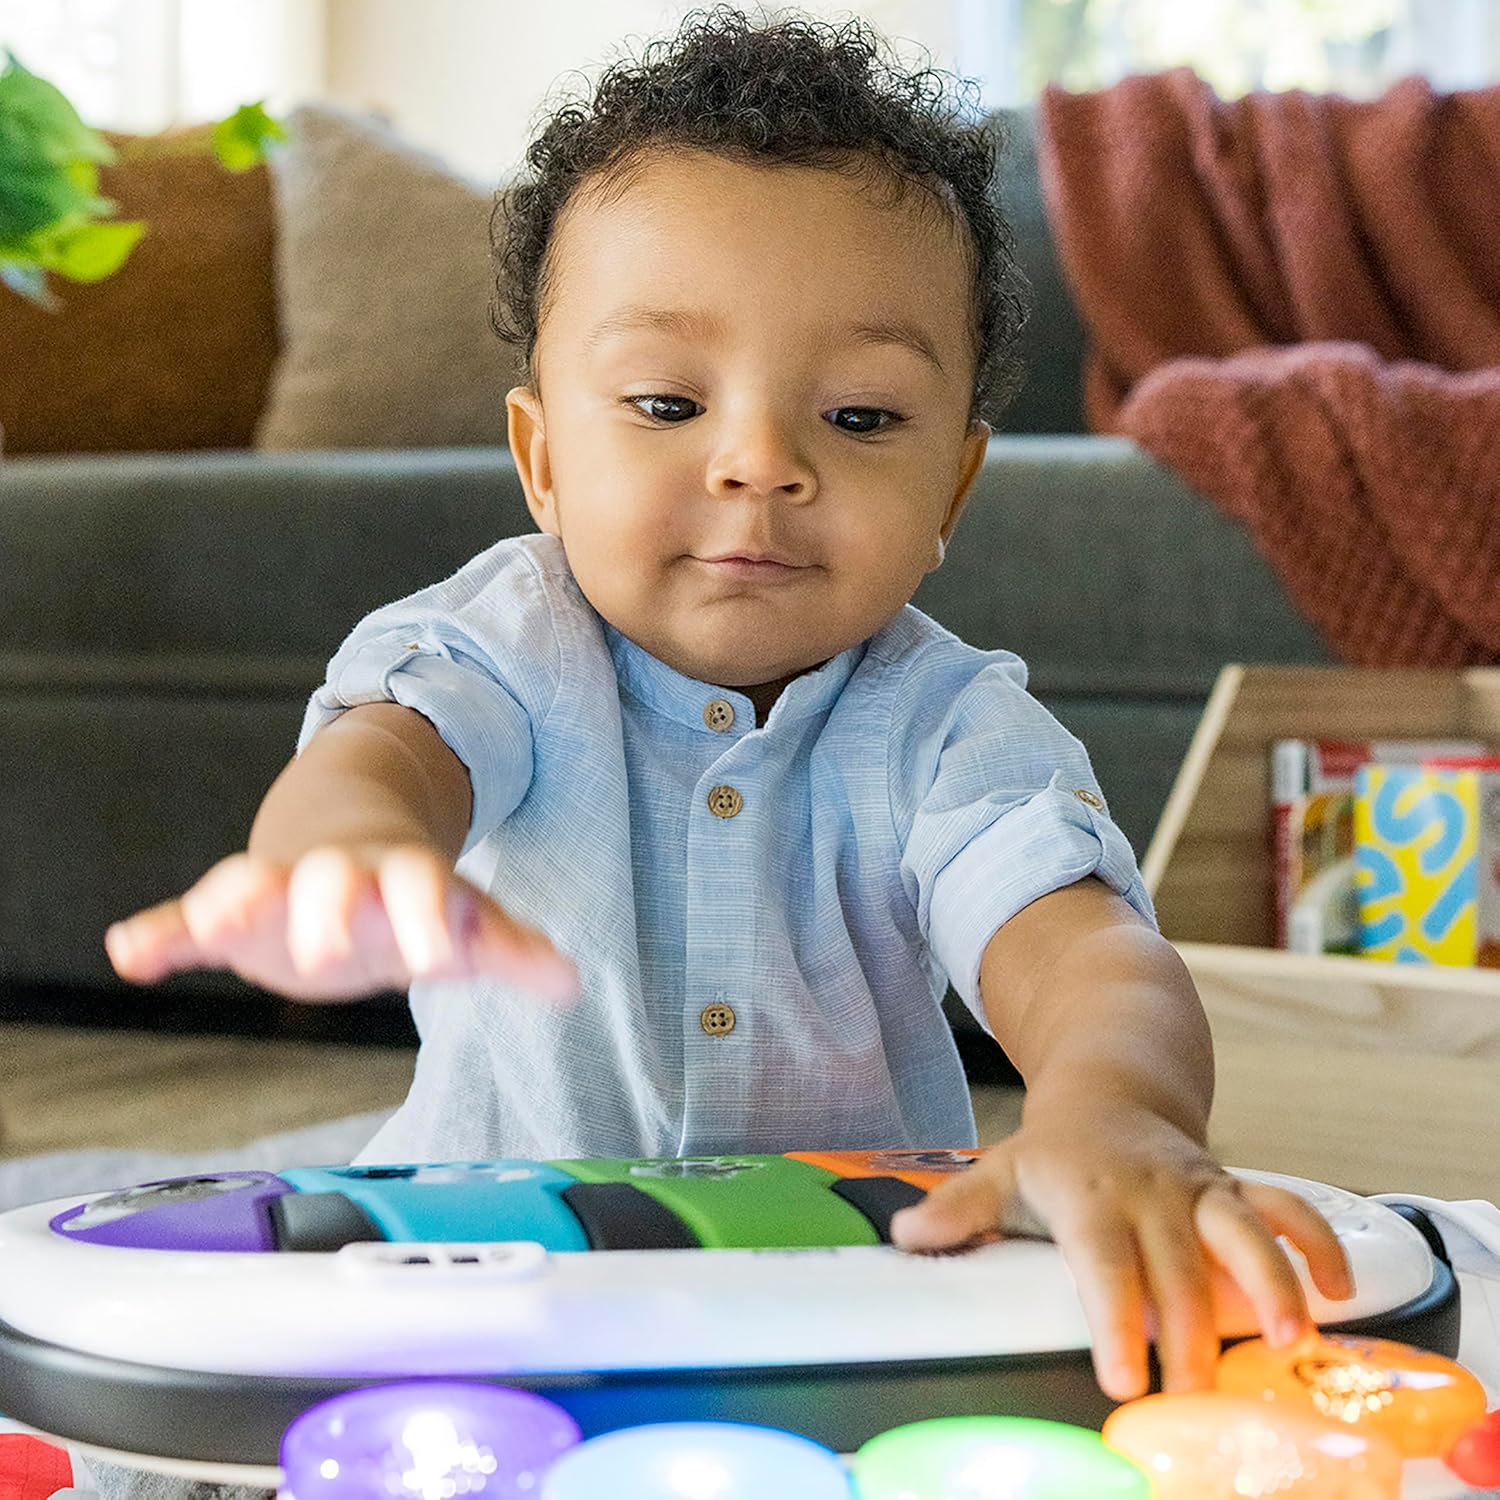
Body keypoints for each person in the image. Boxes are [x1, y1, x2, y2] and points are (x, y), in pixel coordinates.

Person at [105, 3, 1351, 1406]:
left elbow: (1084, 952)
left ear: (952, 486)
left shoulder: (956, 727)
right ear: (543, 460)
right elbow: (390, 753)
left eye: (863, 418)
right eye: (662, 402)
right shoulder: (508, 639)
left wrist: (1116, 1108)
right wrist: (336, 853)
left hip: (848, 1297)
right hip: (477, 1283)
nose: (760, 462)